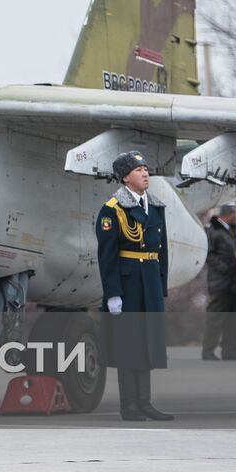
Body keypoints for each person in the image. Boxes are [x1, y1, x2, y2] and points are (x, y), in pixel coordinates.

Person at [95, 151, 172, 421]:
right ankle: (128, 405)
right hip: (128, 286)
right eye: (139, 170)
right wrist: (113, 293)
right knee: (129, 347)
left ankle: (145, 402)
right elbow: (107, 257)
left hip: (149, 283)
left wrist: (161, 285)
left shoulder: (155, 207)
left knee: (146, 344)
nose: (145, 173)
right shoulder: (112, 210)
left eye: (146, 169)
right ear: (126, 177)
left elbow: (161, 252)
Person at [201, 205, 236, 360]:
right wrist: (226, 268)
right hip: (220, 281)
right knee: (215, 317)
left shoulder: (231, 230)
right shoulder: (214, 231)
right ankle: (208, 350)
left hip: (233, 282)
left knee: (233, 318)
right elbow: (209, 255)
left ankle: (230, 350)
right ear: (229, 214)